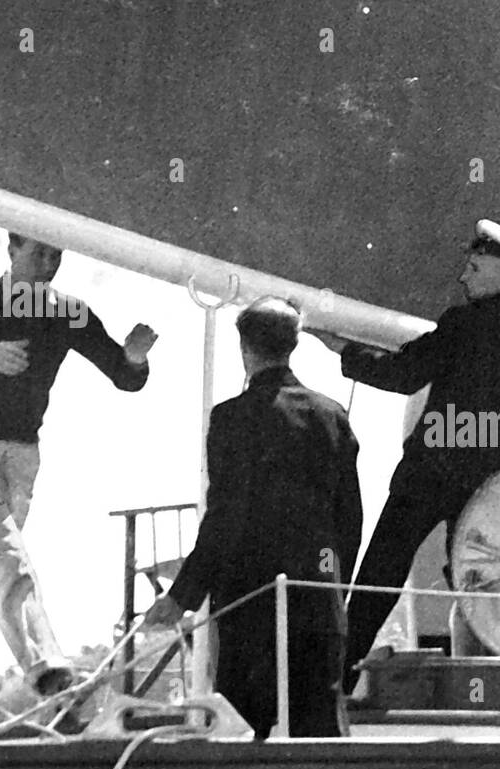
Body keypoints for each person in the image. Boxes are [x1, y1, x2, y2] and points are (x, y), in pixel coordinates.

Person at [312, 219, 500, 692]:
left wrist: (344, 350)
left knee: (384, 570)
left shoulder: (461, 323)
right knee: (481, 579)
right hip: (489, 480)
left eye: (474, 268)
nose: (464, 278)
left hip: (429, 469)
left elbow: (403, 374)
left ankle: (334, 678)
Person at [0, 233, 157, 735]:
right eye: (39, 253)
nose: (49, 264)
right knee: (6, 558)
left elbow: (122, 374)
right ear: (12, 248)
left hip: (21, 456)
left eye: (56, 255)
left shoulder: (67, 312)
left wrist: (135, 357)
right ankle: (52, 674)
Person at [143, 298, 362, 739]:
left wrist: (181, 596)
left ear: (245, 348)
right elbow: (349, 519)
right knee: (320, 736)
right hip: (317, 600)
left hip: (251, 603)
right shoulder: (331, 415)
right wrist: (335, 585)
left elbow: (224, 518)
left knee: (242, 735)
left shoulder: (231, 419)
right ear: (293, 346)